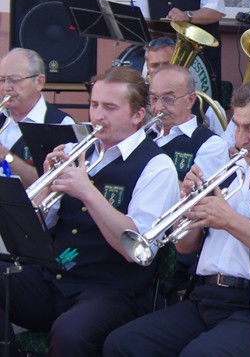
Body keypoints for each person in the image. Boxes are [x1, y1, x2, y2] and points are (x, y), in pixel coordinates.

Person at [103, 77, 250, 356]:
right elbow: (185, 247)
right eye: (237, 126)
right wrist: (189, 207)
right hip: (206, 299)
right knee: (123, 344)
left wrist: (229, 219)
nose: (240, 139)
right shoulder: (229, 172)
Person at [0, 67, 179, 355]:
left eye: (110, 107)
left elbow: (135, 249)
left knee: (70, 333)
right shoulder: (77, 151)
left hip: (113, 291)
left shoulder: (157, 166)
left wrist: (87, 191)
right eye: (94, 105)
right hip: (56, 279)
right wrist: (47, 186)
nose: (97, 116)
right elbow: (39, 227)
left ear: (137, 115)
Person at [0, 48, 74, 186]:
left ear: (39, 82)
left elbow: (54, 183)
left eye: (14, 80)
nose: (6, 87)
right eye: (1, 80)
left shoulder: (61, 124)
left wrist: (5, 156)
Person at [148, 65, 229, 182]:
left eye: (168, 98)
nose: (159, 107)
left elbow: (198, 191)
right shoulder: (143, 134)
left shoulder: (212, 145)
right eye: (154, 98)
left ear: (190, 100)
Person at [144, 37, 226, 137]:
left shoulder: (207, 108)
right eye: (155, 65)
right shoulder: (138, 101)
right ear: (147, 68)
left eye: (167, 64)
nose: (161, 70)